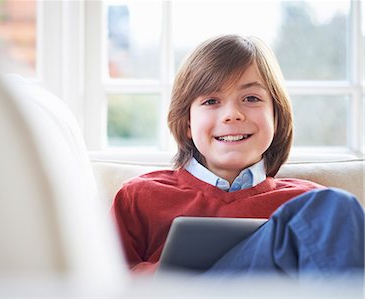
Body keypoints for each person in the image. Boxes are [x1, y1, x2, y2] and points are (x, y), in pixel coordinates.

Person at [111, 34, 364, 277]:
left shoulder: (308, 208)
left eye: (251, 98)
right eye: (211, 101)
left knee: (333, 209)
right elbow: (107, 284)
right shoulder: (139, 197)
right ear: (187, 123)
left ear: (276, 117)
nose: (232, 114)